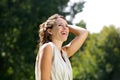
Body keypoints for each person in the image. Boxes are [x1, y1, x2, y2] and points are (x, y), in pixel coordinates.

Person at [35, 14, 88, 80]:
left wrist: (64, 27)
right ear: (50, 31)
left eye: (66, 26)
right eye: (60, 25)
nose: (65, 28)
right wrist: (49, 25)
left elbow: (84, 33)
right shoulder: (48, 47)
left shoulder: (64, 53)